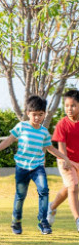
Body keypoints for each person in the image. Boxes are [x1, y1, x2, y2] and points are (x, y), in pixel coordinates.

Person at [0, 95, 71, 235]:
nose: (37, 118)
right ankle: (16, 221)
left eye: (40, 115)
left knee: (44, 190)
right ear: (28, 113)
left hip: (37, 167)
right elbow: (8, 141)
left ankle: (43, 221)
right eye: (34, 115)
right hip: (22, 167)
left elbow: (50, 148)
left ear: (44, 114)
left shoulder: (43, 132)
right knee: (20, 195)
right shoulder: (21, 126)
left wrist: (64, 157)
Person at [47, 89, 79, 232]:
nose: (69, 109)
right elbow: (61, 149)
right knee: (73, 187)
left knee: (68, 188)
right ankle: (78, 219)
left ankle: (51, 207)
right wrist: (71, 163)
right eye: (66, 105)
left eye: (73, 105)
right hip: (65, 160)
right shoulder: (62, 124)